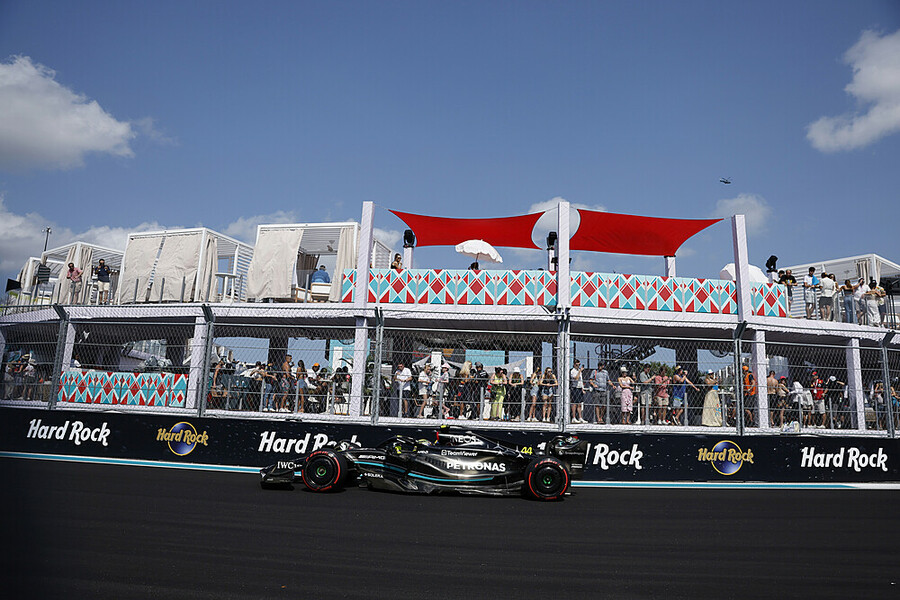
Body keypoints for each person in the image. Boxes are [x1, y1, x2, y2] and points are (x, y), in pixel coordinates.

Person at [569, 359, 585, 424]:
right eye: (577, 365)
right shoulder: (572, 371)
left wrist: (582, 388)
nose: (578, 366)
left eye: (579, 364)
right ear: (574, 364)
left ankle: (580, 417)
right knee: (574, 403)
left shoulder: (579, 371)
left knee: (579, 403)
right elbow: (576, 378)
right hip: (575, 388)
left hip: (579, 388)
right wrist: (580, 371)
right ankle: (574, 417)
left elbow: (581, 380)